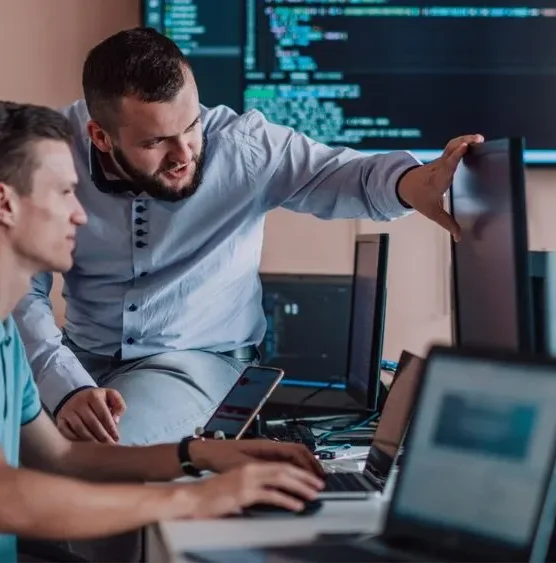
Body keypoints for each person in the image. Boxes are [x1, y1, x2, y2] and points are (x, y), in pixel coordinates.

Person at [13, 27, 484, 447]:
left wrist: (417, 184)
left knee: (102, 451)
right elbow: (16, 284)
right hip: (76, 356)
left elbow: (351, 178)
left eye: (191, 126)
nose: (184, 155)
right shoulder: (51, 153)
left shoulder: (245, 146)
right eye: (156, 142)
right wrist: (65, 383)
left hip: (196, 361)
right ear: (100, 136)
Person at [0, 100, 324, 563]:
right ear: (5, 203)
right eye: (63, 193)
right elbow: (8, 498)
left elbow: (64, 459)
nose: (80, 214)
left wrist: (203, 456)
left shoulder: (7, 338)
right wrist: (197, 499)